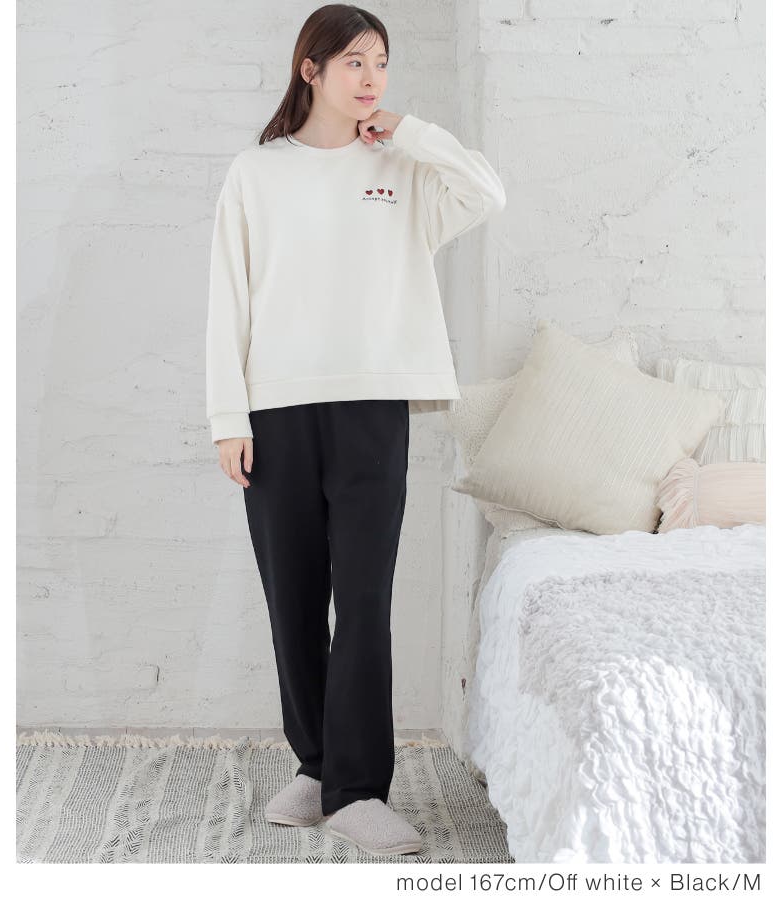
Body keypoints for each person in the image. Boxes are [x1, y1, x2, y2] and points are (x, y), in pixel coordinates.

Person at [205, 3, 506, 857]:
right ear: (312, 70)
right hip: (274, 410)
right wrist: (229, 416)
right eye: (354, 63)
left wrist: (410, 130)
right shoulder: (256, 173)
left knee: (364, 600)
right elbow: (229, 297)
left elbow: (487, 192)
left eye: (381, 63)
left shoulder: (402, 168)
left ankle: (359, 789)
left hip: (373, 406)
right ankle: (317, 764)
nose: (372, 78)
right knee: (293, 598)